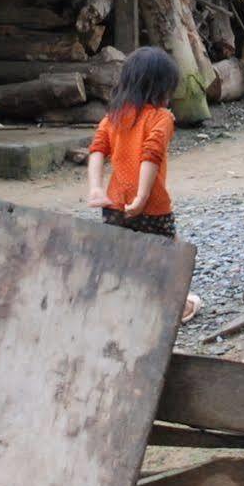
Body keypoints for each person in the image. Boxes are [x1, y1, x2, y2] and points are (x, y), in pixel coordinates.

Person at [86, 46, 200, 320]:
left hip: (113, 202)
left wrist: (96, 189)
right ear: (162, 87)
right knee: (169, 253)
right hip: (152, 204)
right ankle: (179, 307)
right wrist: (141, 197)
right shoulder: (162, 118)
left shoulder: (112, 117)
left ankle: (119, 305)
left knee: (120, 253)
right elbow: (151, 155)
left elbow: (97, 151)